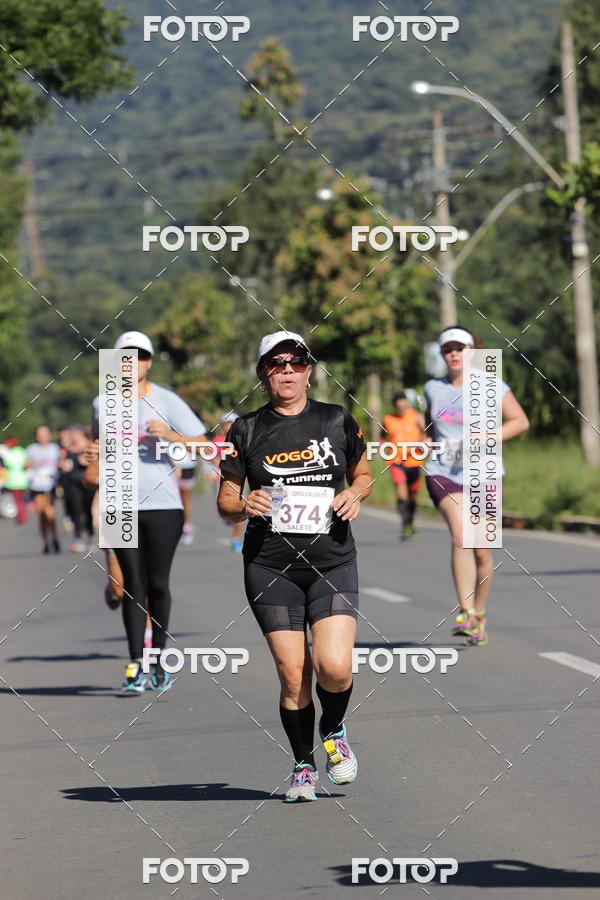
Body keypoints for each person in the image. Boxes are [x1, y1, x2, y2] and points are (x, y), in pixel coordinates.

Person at [218, 331, 372, 802]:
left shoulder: (336, 419)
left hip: (331, 560)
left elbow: (363, 473)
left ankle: (336, 728)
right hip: (271, 566)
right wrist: (247, 503)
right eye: (276, 363)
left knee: (335, 667)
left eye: (296, 362)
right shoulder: (244, 430)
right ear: (263, 372)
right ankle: (303, 765)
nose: (287, 370)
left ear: (308, 369)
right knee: (292, 672)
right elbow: (225, 501)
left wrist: (355, 493)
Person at [93, 330, 208, 692]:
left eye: (141, 356)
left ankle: (157, 659)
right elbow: (100, 449)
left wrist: (170, 436)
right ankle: (135, 665)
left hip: (162, 505)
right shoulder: (102, 402)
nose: (133, 363)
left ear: (150, 361)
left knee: (157, 584)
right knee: (131, 586)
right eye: (126, 356)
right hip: (119, 502)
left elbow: (203, 443)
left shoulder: (167, 400)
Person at [424, 325, 529, 646]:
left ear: (473, 351)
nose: (453, 354)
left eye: (460, 347)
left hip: (484, 473)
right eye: (447, 349)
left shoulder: (492, 386)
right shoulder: (432, 388)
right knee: (461, 535)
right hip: (444, 472)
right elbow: (429, 424)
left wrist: (489, 436)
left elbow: (520, 421)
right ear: (443, 355)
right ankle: (466, 612)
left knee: (483, 552)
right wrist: (426, 441)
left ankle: (479, 613)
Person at [381, 391, 426, 540]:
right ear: (395, 406)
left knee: (413, 496)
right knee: (401, 492)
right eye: (399, 407)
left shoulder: (415, 416)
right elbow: (382, 437)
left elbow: (427, 432)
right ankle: (405, 524)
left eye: (404, 406)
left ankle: (410, 521)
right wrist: (386, 452)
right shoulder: (388, 419)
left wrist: (424, 443)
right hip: (397, 462)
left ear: (407, 404)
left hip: (415, 462)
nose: (402, 409)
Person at [59, 426, 95, 552]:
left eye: (75, 434)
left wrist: (85, 459)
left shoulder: (89, 446)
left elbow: (91, 462)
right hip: (73, 484)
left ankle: (90, 537)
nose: (73, 437)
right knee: (76, 511)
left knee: (88, 511)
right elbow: (62, 464)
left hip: (87, 483)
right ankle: (78, 538)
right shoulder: (68, 449)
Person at [26, 425, 61, 553]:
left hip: (50, 484)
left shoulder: (55, 448)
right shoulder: (32, 449)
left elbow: (61, 462)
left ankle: (55, 538)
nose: (42, 437)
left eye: (44, 434)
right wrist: (33, 464)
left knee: (50, 513)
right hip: (37, 484)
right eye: (39, 435)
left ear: (49, 435)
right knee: (41, 514)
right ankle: (46, 541)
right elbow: (25, 464)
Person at [214, 412, 245, 552]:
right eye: (227, 423)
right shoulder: (218, 440)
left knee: (239, 508)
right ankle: (227, 517)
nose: (229, 426)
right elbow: (209, 457)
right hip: (219, 479)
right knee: (224, 507)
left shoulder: (242, 439)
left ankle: (236, 539)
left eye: (232, 423)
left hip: (239, 480)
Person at [1, 438, 29, 524]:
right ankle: (23, 516)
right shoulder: (22, 451)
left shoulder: (11, 453)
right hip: (23, 480)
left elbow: (7, 463)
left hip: (14, 481)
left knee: (17, 501)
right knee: (22, 500)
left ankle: (21, 517)